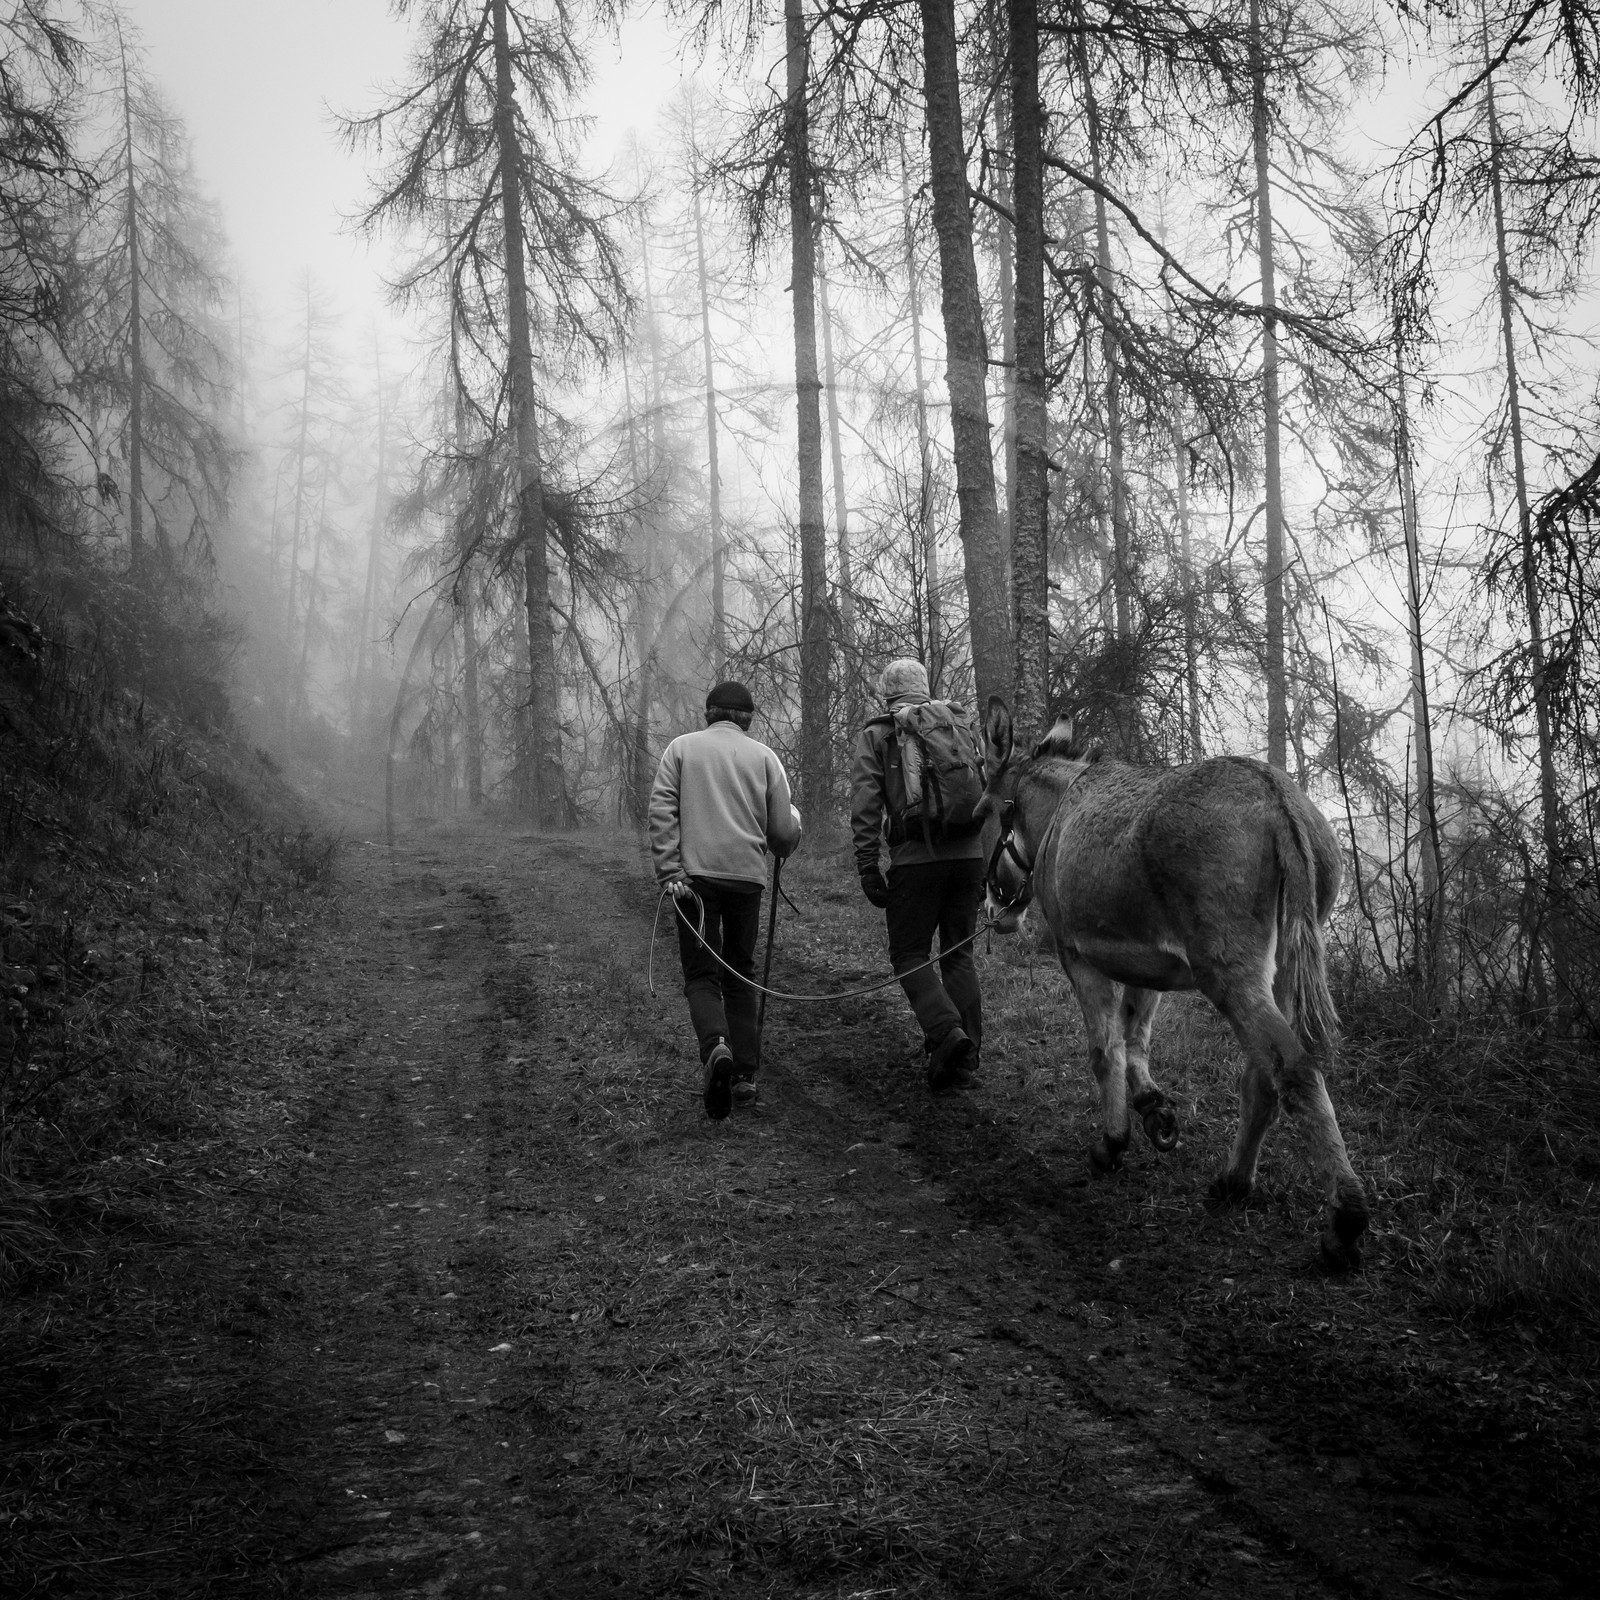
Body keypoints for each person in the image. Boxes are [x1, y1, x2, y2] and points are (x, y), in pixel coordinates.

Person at [649, 680, 802, 1120]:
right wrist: (795, 823)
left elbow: (661, 810)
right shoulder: (766, 757)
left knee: (702, 974)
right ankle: (745, 1076)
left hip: (693, 883)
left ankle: (717, 1046)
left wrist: (670, 872)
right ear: (747, 719)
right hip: (746, 881)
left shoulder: (680, 749)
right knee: (741, 973)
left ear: (709, 714)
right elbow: (781, 835)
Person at [850, 658, 986, 1091]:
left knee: (909, 954)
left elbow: (866, 802)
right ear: (925, 687)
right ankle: (965, 1059)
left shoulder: (879, 734)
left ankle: (947, 1034)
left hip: (915, 859)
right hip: (969, 856)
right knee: (958, 954)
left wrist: (867, 864)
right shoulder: (958, 725)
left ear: (886, 693)